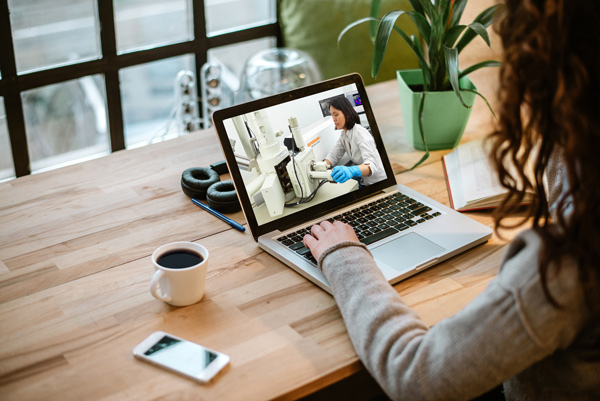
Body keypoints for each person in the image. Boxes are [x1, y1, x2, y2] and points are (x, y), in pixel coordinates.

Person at [303, 1, 600, 400]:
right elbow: (336, 155)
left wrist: (344, 257)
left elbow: (418, 377)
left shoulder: (566, 267)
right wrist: (326, 163)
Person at [324, 96, 386, 187]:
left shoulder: (360, 133)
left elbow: (371, 166)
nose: (333, 119)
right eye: (332, 115)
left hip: (379, 183)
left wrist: (352, 170)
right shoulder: (344, 135)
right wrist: (321, 166)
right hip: (364, 180)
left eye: (336, 114)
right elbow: (334, 155)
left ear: (347, 113)